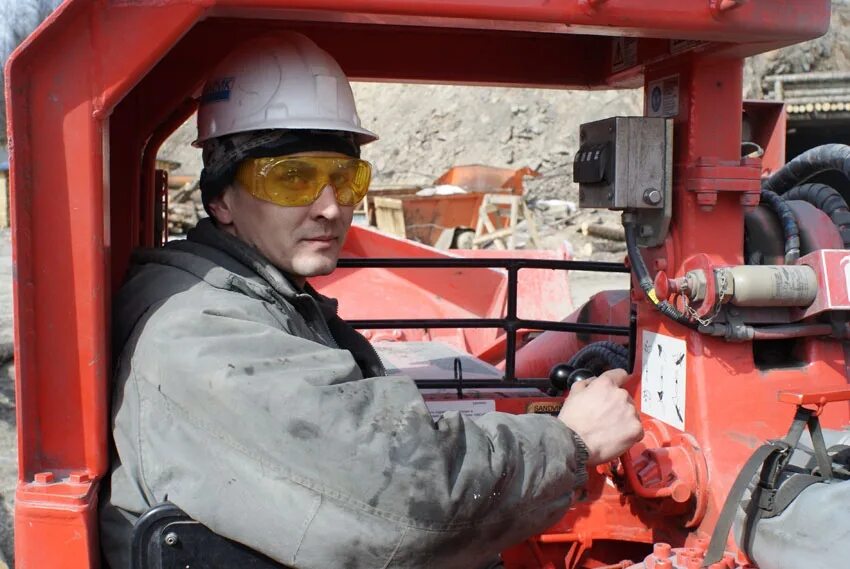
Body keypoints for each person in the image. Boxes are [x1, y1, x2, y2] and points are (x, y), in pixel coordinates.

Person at [100, 32, 643, 569]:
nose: (331, 208)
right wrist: (570, 442)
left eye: (345, 178)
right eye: (292, 179)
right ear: (220, 198)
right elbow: (403, 497)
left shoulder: (257, 296)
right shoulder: (201, 329)